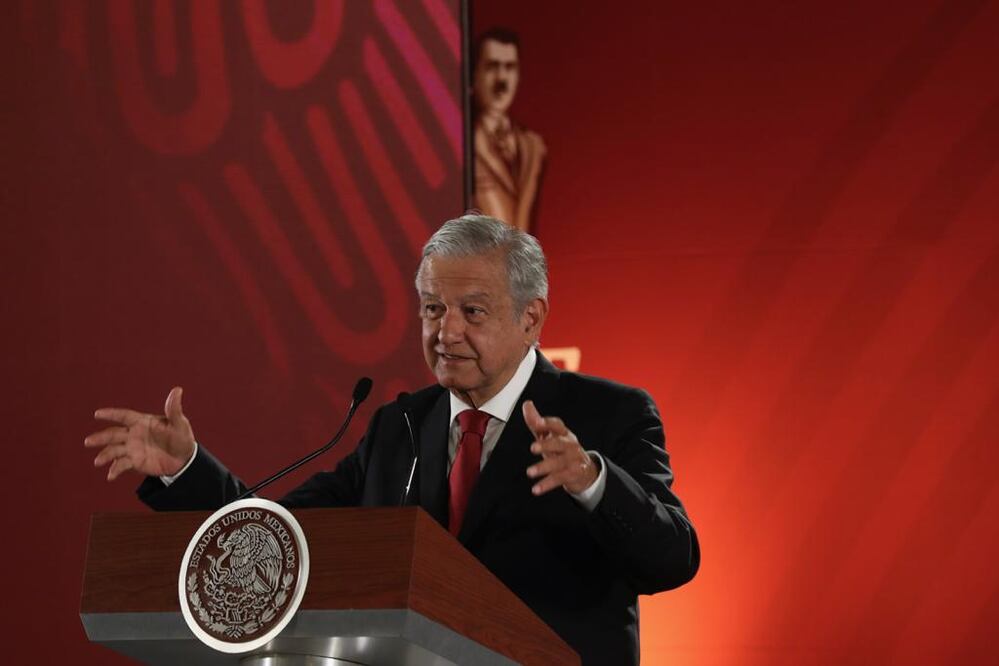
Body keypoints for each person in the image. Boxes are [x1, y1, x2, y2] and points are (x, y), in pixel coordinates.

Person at [85, 214, 699, 665]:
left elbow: (673, 557)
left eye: (472, 312)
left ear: (531, 317)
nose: (446, 332)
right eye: (432, 309)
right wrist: (185, 468)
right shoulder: (400, 428)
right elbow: (278, 542)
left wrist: (594, 484)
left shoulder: (608, 414)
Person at [472, 28, 546, 232]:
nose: (502, 79)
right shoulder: (462, 145)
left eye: (510, 67)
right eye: (492, 67)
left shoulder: (533, 147)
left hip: (524, 262)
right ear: (474, 74)